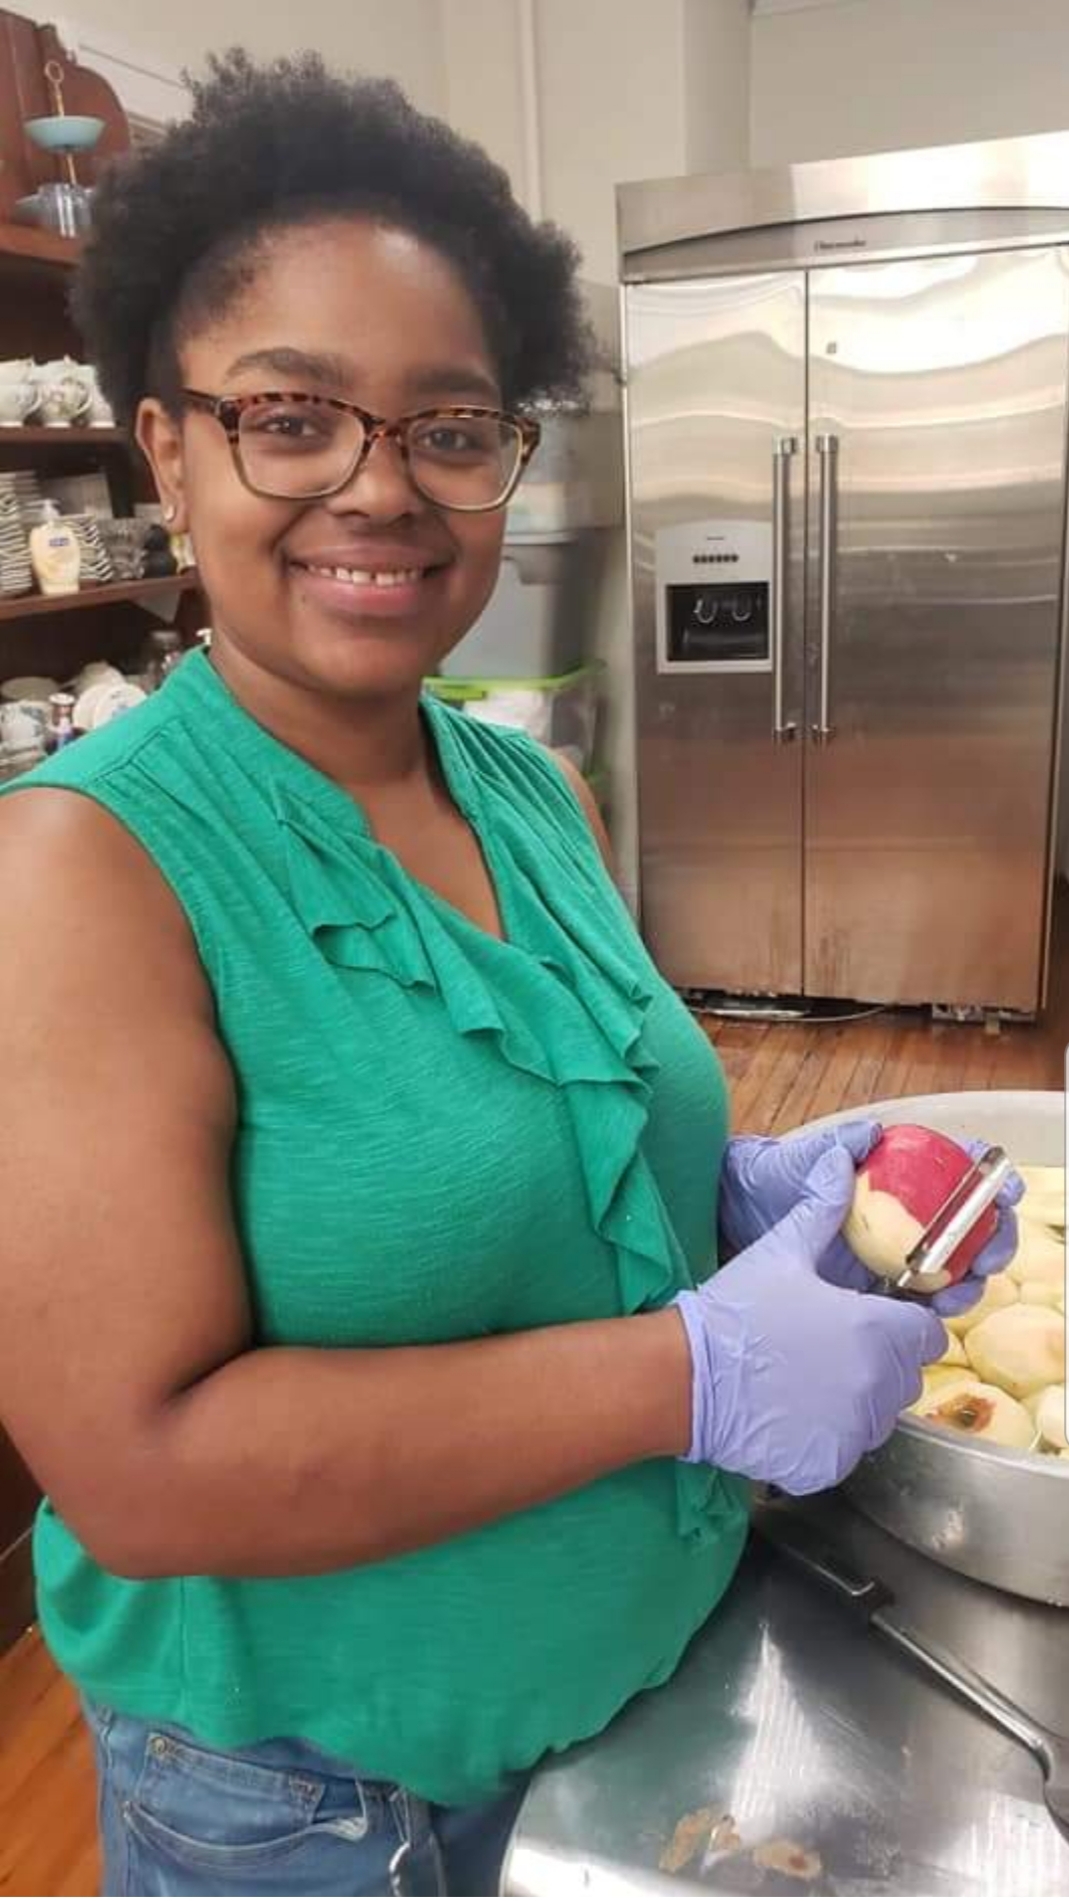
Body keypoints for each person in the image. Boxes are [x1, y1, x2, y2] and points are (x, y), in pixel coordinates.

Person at [0, 51, 1020, 1899]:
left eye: (450, 426)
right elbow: (140, 1470)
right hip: (320, 1802)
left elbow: (559, 1162)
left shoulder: (524, 781)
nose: (379, 490)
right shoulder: (82, 874)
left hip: (630, 1700)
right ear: (164, 447)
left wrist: (736, 1197)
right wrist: (689, 1373)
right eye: (292, 416)